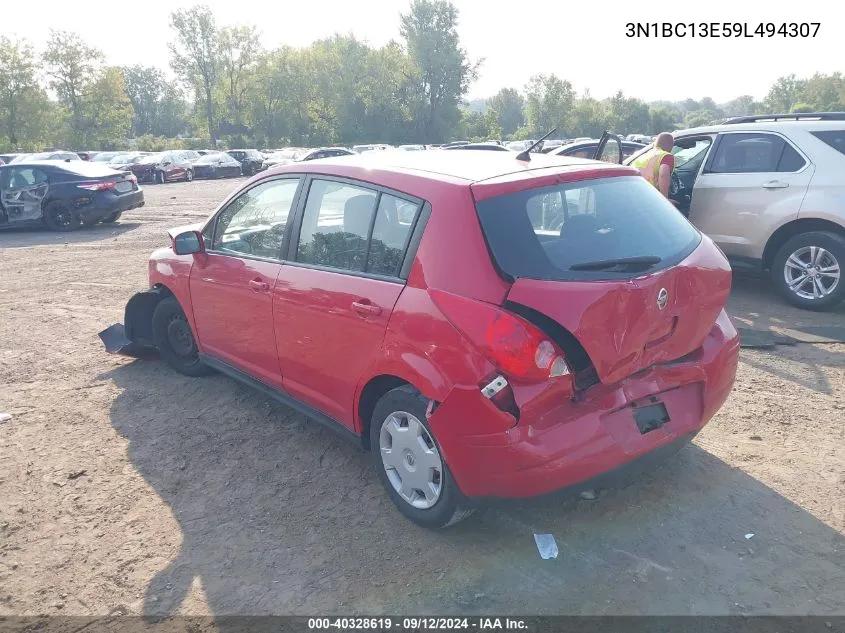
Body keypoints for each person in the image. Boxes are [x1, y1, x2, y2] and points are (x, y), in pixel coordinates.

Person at [631, 132, 675, 198]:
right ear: (671, 146)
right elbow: (663, 174)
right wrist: (664, 199)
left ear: (655, 144)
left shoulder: (643, 155)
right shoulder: (666, 156)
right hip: (649, 196)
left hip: (634, 193)